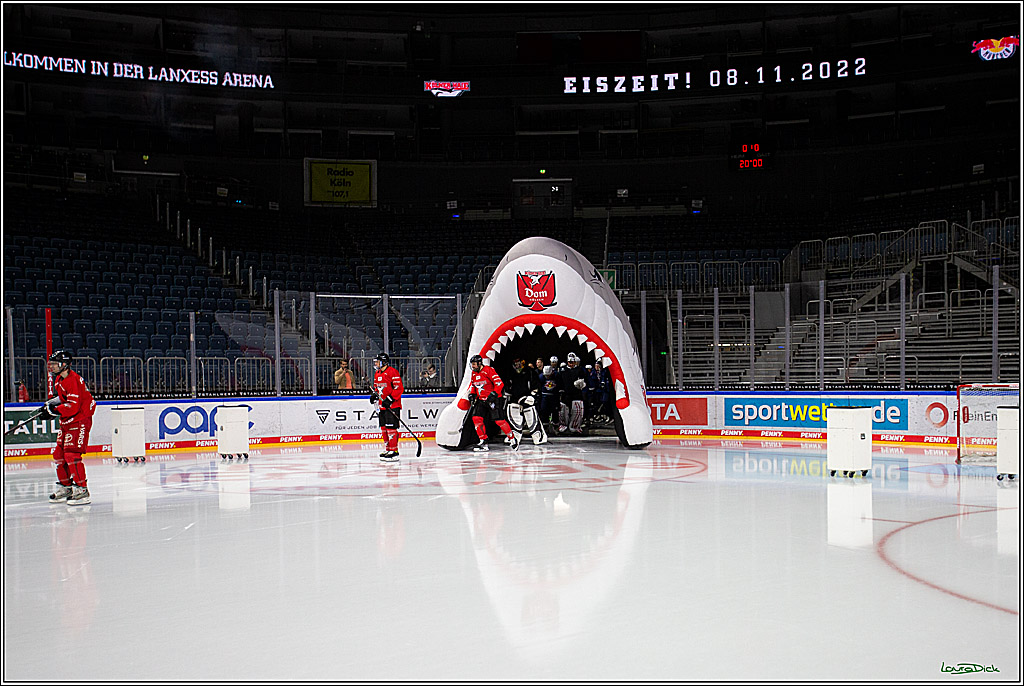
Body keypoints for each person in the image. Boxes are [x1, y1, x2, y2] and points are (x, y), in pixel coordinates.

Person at [43, 350, 96, 506]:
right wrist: (50, 405)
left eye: (55, 364)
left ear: (64, 365)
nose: (52, 367)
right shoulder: (59, 379)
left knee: (72, 455)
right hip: (67, 420)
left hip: (80, 419)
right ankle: (66, 487)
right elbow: (63, 398)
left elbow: (73, 406)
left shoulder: (73, 380)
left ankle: (82, 490)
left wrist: (54, 410)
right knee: (59, 454)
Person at [466, 355, 517, 451]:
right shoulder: (474, 373)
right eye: (472, 364)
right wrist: (472, 394)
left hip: (493, 400)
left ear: (480, 363)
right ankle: (483, 441)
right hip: (481, 400)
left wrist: (494, 394)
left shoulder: (488, 370)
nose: (473, 366)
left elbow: (499, 383)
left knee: (499, 421)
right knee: (476, 418)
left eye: (474, 364)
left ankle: (512, 438)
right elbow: (474, 386)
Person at [505, 358, 547, 445]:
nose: (517, 366)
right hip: (515, 398)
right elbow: (508, 386)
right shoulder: (511, 373)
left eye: (519, 364)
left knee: (530, 412)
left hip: (528, 397)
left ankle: (538, 435)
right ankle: (514, 434)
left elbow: (537, 386)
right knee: (512, 410)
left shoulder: (530, 372)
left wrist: (533, 396)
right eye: (515, 364)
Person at [370, 352, 403, 462]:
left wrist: (390, 399)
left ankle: (394, 451)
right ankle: (388, 449)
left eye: (378, 361)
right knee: (384, 428)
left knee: (391, 428)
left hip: (392, 406)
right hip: (382, 406)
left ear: (384, 362)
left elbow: (399, 388)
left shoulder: (392, 372)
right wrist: (374, 395)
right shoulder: (377, 373)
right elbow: (377, 388)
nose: (376, 364)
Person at [558, 352, 587, 434]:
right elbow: (559, 380)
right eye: (570, 362)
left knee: (577, 409)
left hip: (576, 393)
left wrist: (582, 384)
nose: (571, 364)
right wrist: (560, 389)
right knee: (563, 410)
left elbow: (584, 380)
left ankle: (575, 426)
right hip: (565, 393)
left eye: (573, 362)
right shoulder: (562, 370)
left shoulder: (579, 370)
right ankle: (563, 425)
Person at [538, 364, 562, 432]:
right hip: (544, 395)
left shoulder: (557, 375)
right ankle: (545, 426)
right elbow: (539, 386)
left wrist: (560, 392)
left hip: (554, 395)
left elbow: (560, 384)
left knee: (555, 410)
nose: (547, 377)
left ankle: (555, 425)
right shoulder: (541, 377)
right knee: (544, 410)